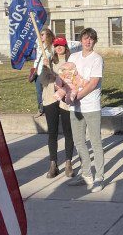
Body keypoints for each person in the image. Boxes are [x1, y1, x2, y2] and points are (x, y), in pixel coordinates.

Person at [66, 28, 106, 192]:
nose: (87, 41)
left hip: (91, 107)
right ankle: (86, 174)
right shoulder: (73, 57)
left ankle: (99, 178)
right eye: (85, 38)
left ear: (94, 41)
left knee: (95, 142)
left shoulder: (97, 59)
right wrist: (67, 93)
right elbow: (67, 77)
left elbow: (93, 83)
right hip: (75, 107)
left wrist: (78, 95)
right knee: (79, 142)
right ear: (80, 40)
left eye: (91, 39)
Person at [39, 36, 75, 178]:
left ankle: (68, 163)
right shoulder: (49, 61)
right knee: (52, 132)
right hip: (50, 99)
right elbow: (43, 81)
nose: (59, 47)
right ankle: (53, 164)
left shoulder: (71, 62)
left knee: (68, 131)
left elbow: (72, 81)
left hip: (65, 99)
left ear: (66, 47)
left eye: (61, 45)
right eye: (56, 45)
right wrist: (45, 69)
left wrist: (59, 79)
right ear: (54, 47)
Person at [32, 28, 54, 117]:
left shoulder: (51, 47)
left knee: (47, 91)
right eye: (40, 34)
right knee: (38, 91)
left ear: (48, 36)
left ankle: (50, 108)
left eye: (42, 34)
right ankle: (41, 109)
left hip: (45, 71)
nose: (40, 36)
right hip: (37, 71)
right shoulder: (38, 44)